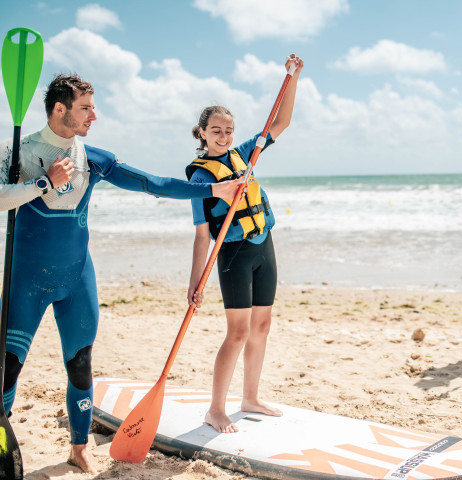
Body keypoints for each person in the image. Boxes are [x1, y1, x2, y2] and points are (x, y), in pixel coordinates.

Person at [0, 74, 241, 473]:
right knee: (8, 366)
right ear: (60, 109)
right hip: (26, 279)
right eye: (86, 107)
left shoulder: (92, 157)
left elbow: (152, 183)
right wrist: (44, 182)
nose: (94, 115)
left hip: (77, 278)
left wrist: (213, 191)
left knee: (80, 361)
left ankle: (79, 447)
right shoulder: (18, 151)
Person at [186, 55, 302, 433]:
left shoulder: (246, 153)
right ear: (202, 132)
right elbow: (203, 234)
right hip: (233, 254)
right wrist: (196, 281)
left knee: (262, 325)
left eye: (229, 130)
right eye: (216, 130)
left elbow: (282, 122)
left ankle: (249, 398)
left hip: (263, 246)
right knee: (237, 332)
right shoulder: (201, 179)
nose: (224, 135)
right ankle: (215, 409)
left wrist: (293, 78)